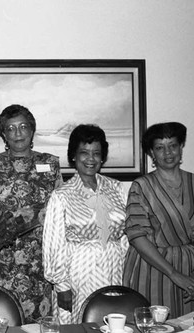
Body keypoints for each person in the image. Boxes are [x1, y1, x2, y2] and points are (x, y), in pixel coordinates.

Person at [0, 104, 63, 323]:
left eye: (23, 126)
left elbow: (61, 213)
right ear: (3, 135)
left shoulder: (50, 163)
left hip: (40, 260)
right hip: (2, 258)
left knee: (38, 323)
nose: (18, 133)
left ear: (32, 130)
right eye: (11, 128)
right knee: (2, 320)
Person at [123, 122, 194, 317]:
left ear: (181, 147)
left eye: (173, 145)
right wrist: (174, 275)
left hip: (193, 269)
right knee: (155, 325)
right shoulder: (141, 186)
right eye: (160, 147)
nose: (168, 152)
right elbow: (137, 236)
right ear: (151, 153)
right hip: (153, 269)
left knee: (192, 325)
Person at [42, 124, 128, 324]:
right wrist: (62, 286)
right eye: (84, 153)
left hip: (114, 269)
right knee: (78, 324)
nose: (91, 159)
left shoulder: (116, 188)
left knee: (113, 323)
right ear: (73, 155)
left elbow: (124, 235)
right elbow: (54, 244)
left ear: (103, 157)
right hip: (78, 274)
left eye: (96, 153)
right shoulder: (62, 195)